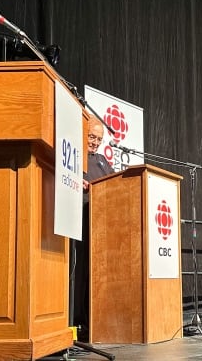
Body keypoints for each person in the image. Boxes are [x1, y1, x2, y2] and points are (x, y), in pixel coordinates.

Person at [72, 118, 116, 339]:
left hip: (101, 223)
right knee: (80, 272)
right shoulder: (72, 154)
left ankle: (96, 319)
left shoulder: (101, 161)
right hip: (80, 220)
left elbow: (115, 183)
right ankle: (78, 321)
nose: (96, 143)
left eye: (99, 139)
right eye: (92, 137)